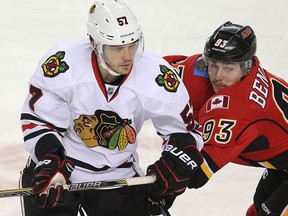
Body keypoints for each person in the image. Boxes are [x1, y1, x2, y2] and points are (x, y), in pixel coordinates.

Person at [19, 0, 203, 215]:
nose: (127, 56)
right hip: (59, 172)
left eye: (132, 44)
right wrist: (50, 159)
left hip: (119, 175)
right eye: (117, 48)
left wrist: (176, 162)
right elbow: (40, 121)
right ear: (95, 43)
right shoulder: (62, 65)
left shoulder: (157, 77)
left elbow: (184, 132)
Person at [147, 21, 288, 216]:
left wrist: (159, 188)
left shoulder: (242, 109)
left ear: (246, 66)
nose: (218, 76)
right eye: (213, 65)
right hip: (282, 165)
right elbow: (149, 74)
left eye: (228, 69)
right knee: (258, 210)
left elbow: (197, 172)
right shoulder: (200, 69)